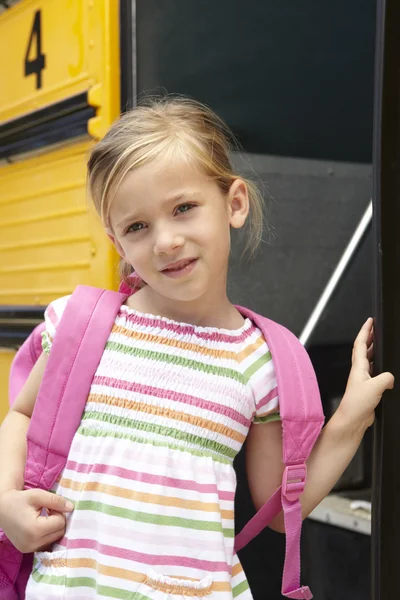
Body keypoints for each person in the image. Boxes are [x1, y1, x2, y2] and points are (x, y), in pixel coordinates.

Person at [0, 97, 394, 600]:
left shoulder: (260, 361)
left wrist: (351, 422)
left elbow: (277, 509)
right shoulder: (83, 327)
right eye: (137, 226)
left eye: (183, 208)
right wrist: (7, 501)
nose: (165, 241)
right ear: (117, 243)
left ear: (234, 203)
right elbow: (22, 416)